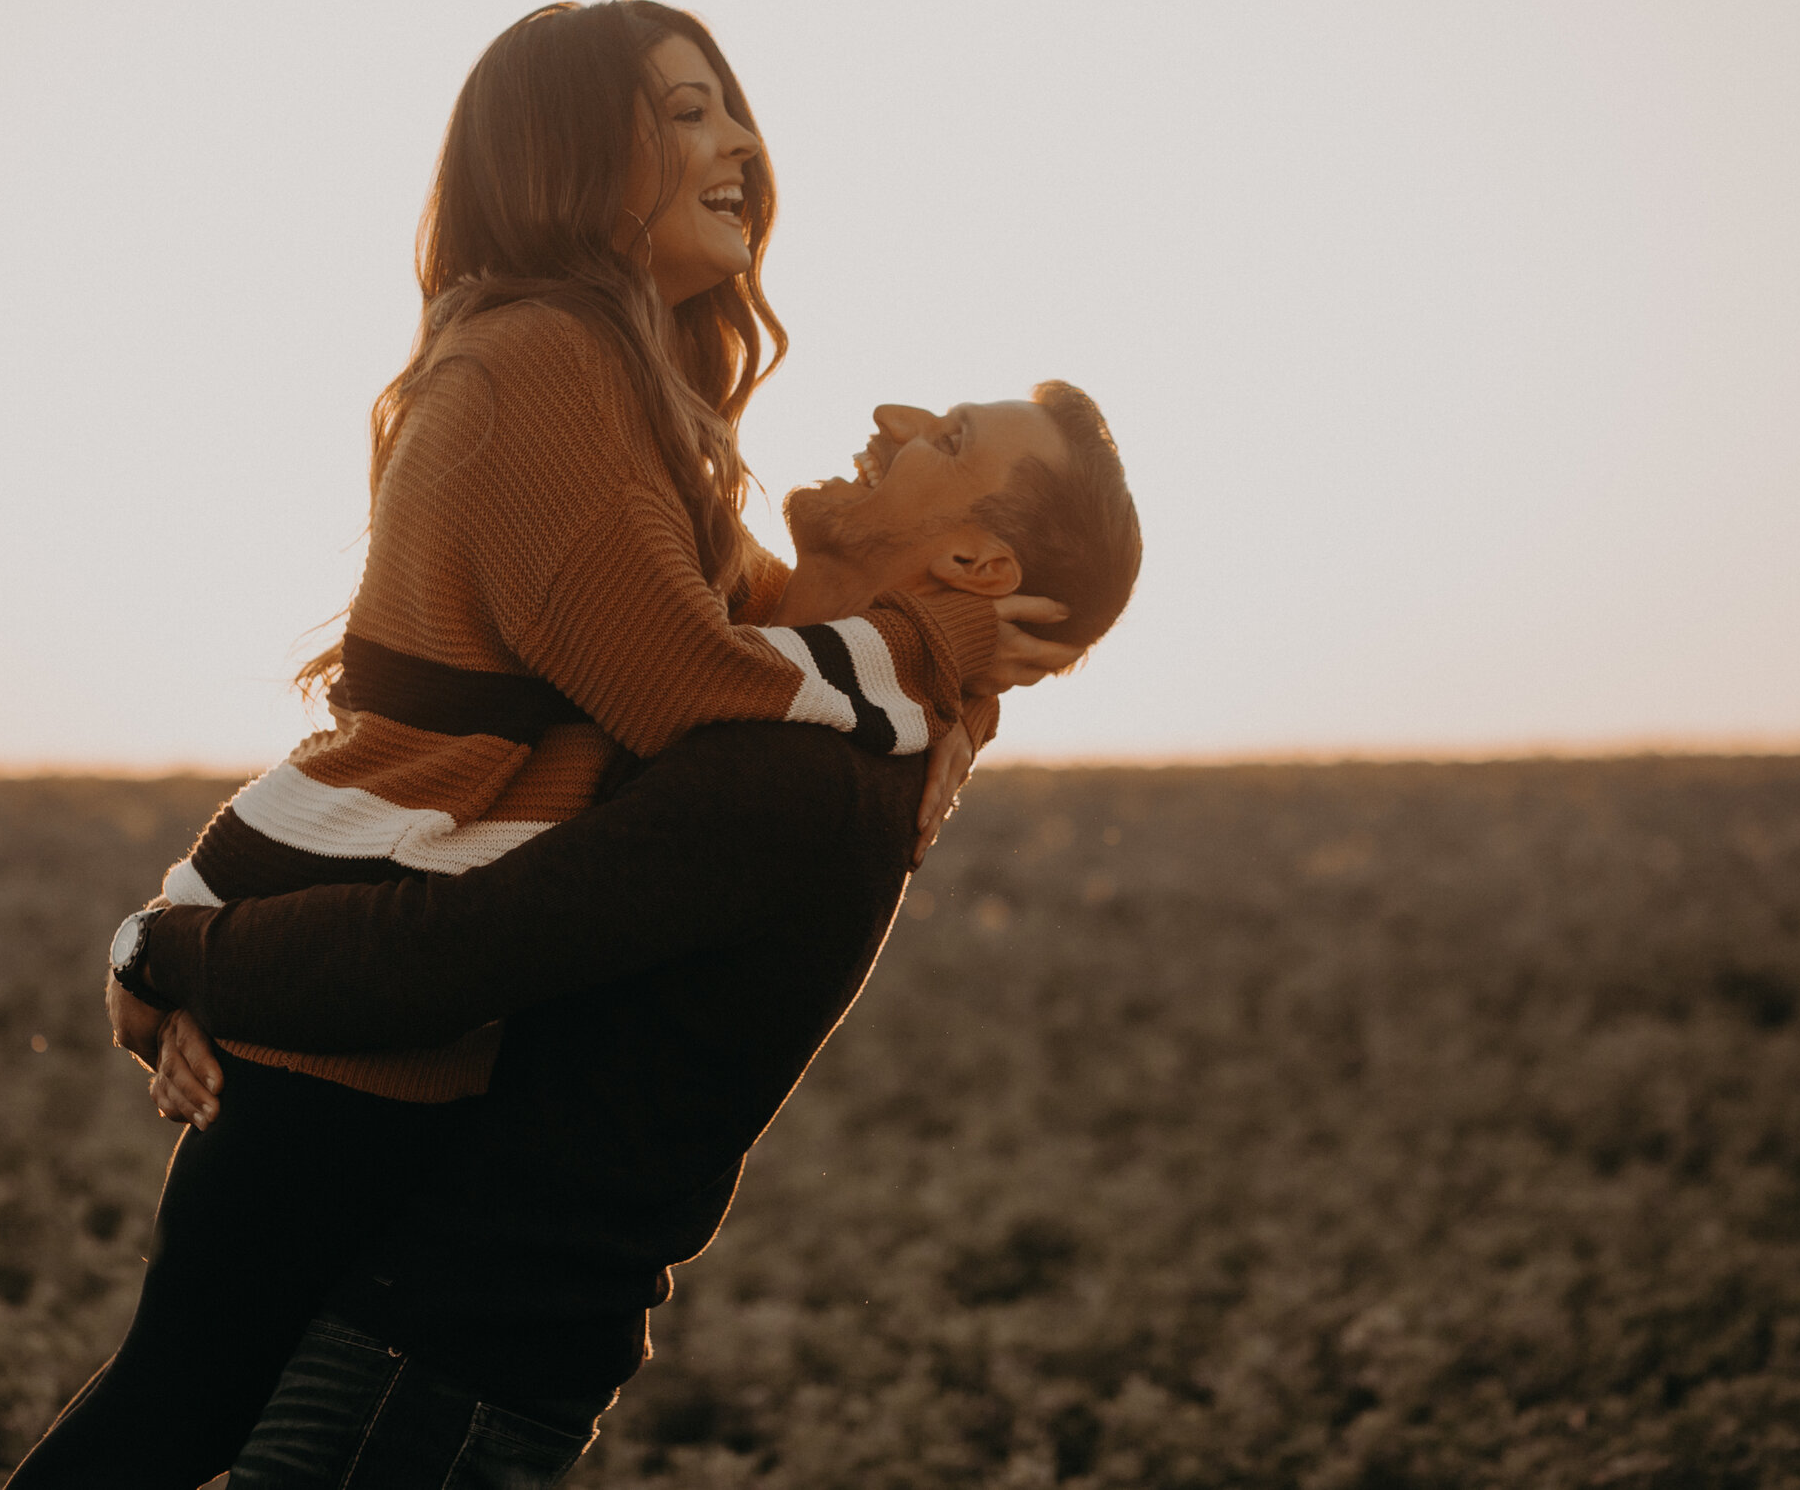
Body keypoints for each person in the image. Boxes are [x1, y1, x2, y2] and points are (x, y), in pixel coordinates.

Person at [4, 0, 1074, 1489]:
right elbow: (689, 681)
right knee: (172, 1412)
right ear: (572, 156)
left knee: (181, 1405)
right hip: (352, 944)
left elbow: (761, 636)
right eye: (687, 111)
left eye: (730, 107)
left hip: (360, 935)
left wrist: (950, 693)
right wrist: (936, 654)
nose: (739, 143)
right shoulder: (550, 361)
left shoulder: (627, 388)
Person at [119, 379, 1143, 1487]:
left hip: (441, 1361)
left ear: (978, 569)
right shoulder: (770, 687)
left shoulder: (796, 775)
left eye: (947, 439)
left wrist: (169, 949)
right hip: (411, 1320)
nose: (891, 416)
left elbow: (435, 955)